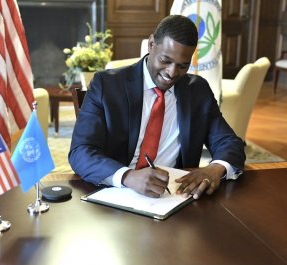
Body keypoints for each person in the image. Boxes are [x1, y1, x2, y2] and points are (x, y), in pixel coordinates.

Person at [68, 15, 245, 199]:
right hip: (117, 193)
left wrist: (215, 169)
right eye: (166, 60)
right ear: (151, 44)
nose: (172, 72)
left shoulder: (197, 90)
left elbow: (229, 142)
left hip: (173, 199)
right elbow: (80, 151)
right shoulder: (107, 85)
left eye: (183, 66)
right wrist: (127, 177)